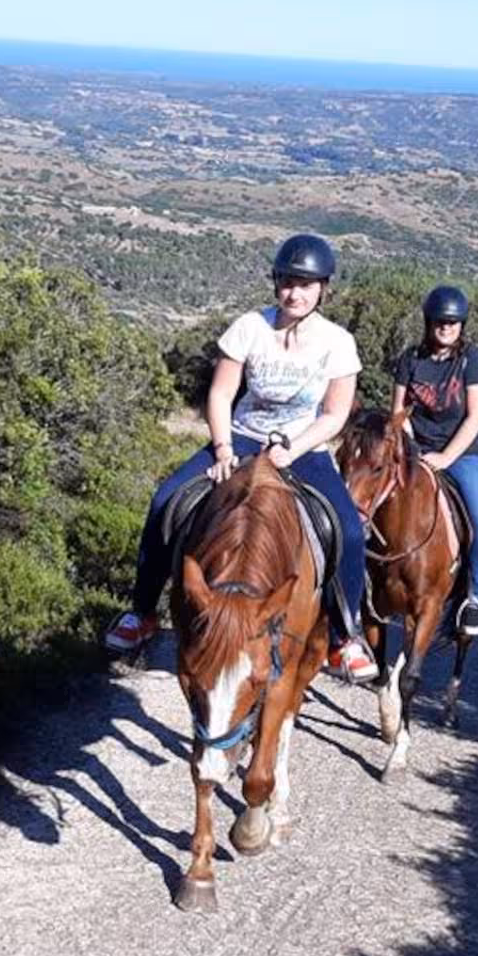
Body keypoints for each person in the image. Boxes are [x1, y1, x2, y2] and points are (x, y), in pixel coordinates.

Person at [104, 233, 379, 681]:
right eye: (289, 282)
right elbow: (221, 392)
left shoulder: (338, 342)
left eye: (306, 285)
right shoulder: (250, 327)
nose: (295, 292)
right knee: (165, 501)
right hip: (242, 436)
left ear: (323, 289)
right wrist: (224, 447)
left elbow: (334, 415)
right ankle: (141, 613)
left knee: (346, 528)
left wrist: (294, 447)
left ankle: (345, 638)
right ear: (277, 283)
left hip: (303, 446)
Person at [391, 284, 478, 636]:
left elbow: (477, 414)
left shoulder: (472, 359)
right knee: (369, 503)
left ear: (462, 324)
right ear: (429, 322)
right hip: (416, 450)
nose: (446, 328)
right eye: (440, 321)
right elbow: (399, 412)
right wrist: (411, 450)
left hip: (464, 453)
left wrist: (446, 456)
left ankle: (475, 598)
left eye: (453, 322)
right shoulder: (411, 359)